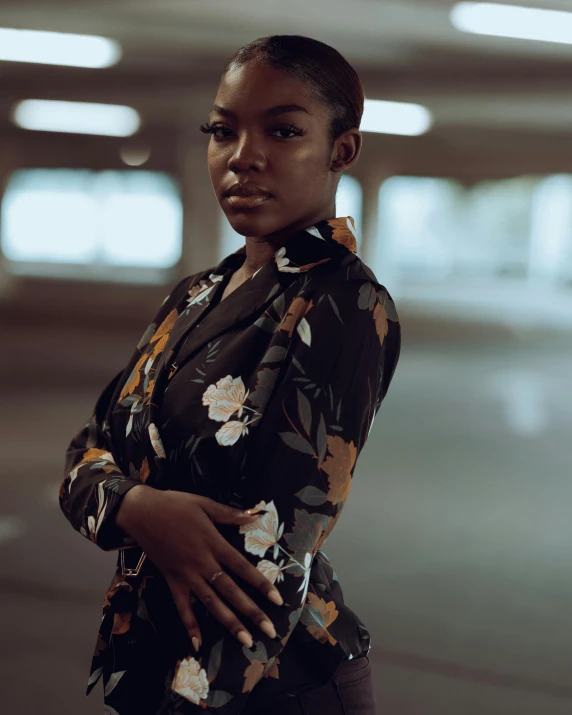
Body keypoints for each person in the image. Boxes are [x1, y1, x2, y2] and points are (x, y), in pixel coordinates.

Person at [59, 34, 401, 715]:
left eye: (282, 130)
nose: (243, 156)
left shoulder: (343, 303)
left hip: (266, 681)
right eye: (223, 130)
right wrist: (137, 506)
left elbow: (262, 559)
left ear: (341, 151)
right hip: (155, 660)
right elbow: (83, 454)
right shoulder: (194, 295)